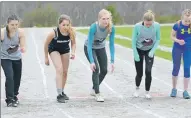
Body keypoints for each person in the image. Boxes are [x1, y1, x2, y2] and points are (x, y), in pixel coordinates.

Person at [84, 9, 115, 102]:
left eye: (108, 19)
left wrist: (112, 61)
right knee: (96, 68)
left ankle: (93, 89)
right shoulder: (94, 27)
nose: (106, 21)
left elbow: (111, 44)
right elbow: (89, 45)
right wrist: (91, 61)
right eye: (103, 19)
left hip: (100, 48)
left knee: (104, 70)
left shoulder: (111, 28)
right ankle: (97, 93)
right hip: (90, 48)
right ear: (99, 19)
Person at [44, 14, 76, 103]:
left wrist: (73, 52)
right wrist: (46, 57)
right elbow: (46, 44)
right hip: (54, 50)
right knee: (59, 69)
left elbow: (73, 43)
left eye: (67, 25)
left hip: (65, 50)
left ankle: (62, 91)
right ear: (59, 24)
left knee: (65, 72)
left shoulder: (71, 32)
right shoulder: (54, 33)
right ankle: (59, 94)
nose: (66, 27)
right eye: (63, 25)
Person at [132, 10, 161, 99]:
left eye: (150, 24)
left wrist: (152, 51)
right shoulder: (137, 27)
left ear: (153, 21)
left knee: (148, 71)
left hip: (149, 50)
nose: (148, 25)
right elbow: (133, 41)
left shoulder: (156, 26)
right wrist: (135, 53)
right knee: (139, 73)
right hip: (139, 49)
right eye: (146, 24)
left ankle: (147, 92)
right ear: (143, 21)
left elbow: (158, 39)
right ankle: (137, 89)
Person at [1, 14, 26, 107]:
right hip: (5, 58)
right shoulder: (2, 33)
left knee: (17, 78)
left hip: (17, 58)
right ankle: (9, 99)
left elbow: (23, 45)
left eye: (16, 24)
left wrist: (23, 48)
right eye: (12, 25)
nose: (14, 27)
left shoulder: (20, 32)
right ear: (7, 24)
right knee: (10, 76)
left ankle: (15, 95)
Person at [170, 9, 191, 99]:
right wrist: (178, 41)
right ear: (182, 18)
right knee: (176, 67)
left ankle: (185, 91)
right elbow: (172, 36)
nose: (187, 22)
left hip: (188, 49)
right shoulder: (177, 25)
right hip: (177, 48)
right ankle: (174, 89)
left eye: (189, 21)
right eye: (185, 21)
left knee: (187, 68)